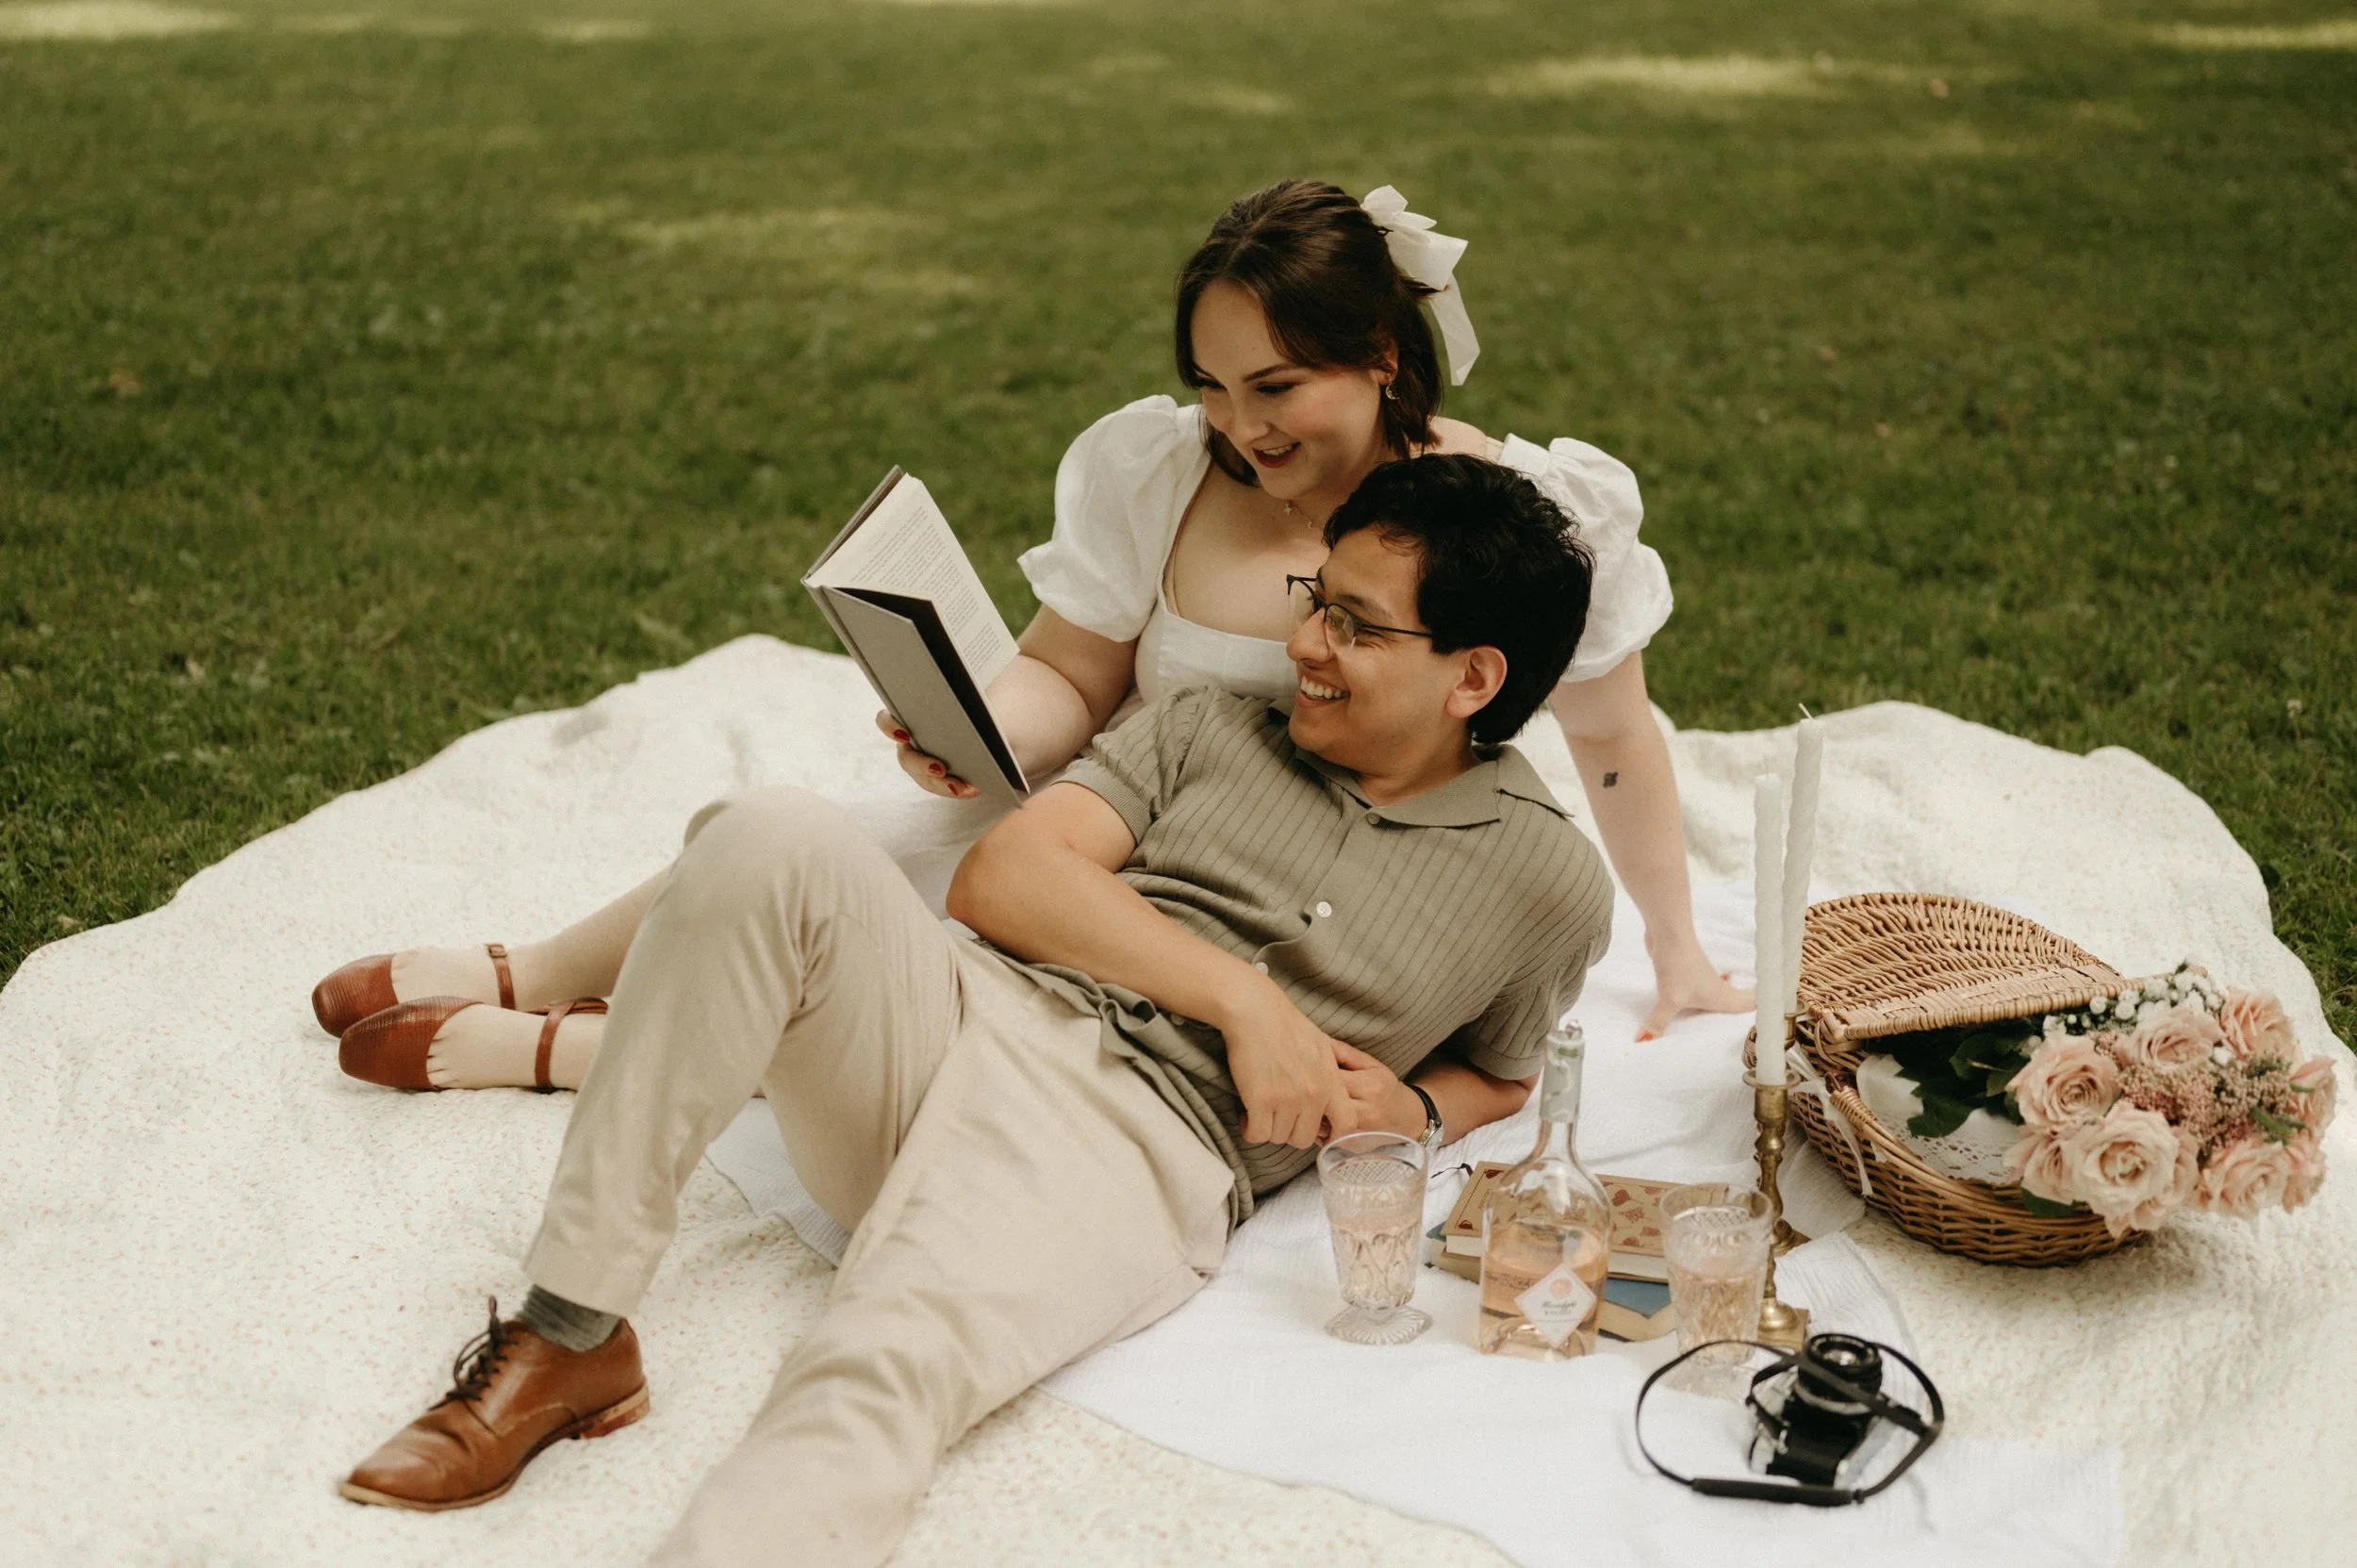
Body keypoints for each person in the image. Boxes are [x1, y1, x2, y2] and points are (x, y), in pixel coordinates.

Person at [337, 454, 1617, 1566]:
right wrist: (1243, 999)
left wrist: (1409, 1108)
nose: (1304, 644)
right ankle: (570, 1326)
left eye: (1353, 623)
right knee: (772, 832)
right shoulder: (1212, 724)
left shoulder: (1547, 880)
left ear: (1473, 676)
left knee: (877, 1367)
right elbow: (1003, 876)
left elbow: (1502, 1071)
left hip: (1136, 1148)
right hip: (964, 1011)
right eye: (1312, 599)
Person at [310, 177, 1741, 1097]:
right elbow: (1073, 671)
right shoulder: (1168, 471)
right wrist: (983, 733)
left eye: (1280, 385)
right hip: (1119, 831)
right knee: (806, 842)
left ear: (1381, 358)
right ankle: (538, 968)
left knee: (917, 1013)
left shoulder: (1513, 519)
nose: (1242, 426)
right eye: (1211, 385)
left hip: (1317, 905)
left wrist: (1675, 950)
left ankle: (569, 1052)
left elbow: (1613, 738)